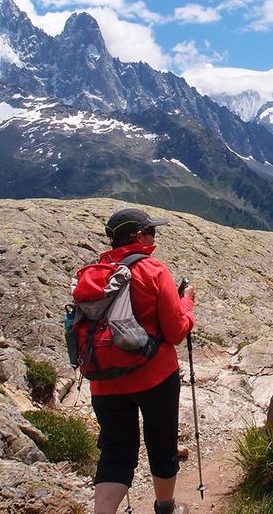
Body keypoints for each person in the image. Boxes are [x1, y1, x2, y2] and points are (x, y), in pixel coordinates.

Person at [90, 208, 195, 514]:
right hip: (154, 375)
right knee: (161, 442)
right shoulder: (153, 270)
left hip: (104, 379)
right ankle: (166, 507)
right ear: (138, 236)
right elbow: (175, 332)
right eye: (152, 231)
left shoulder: (96, 273)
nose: (154, 237)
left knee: (115, 450)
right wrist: (187, 302)